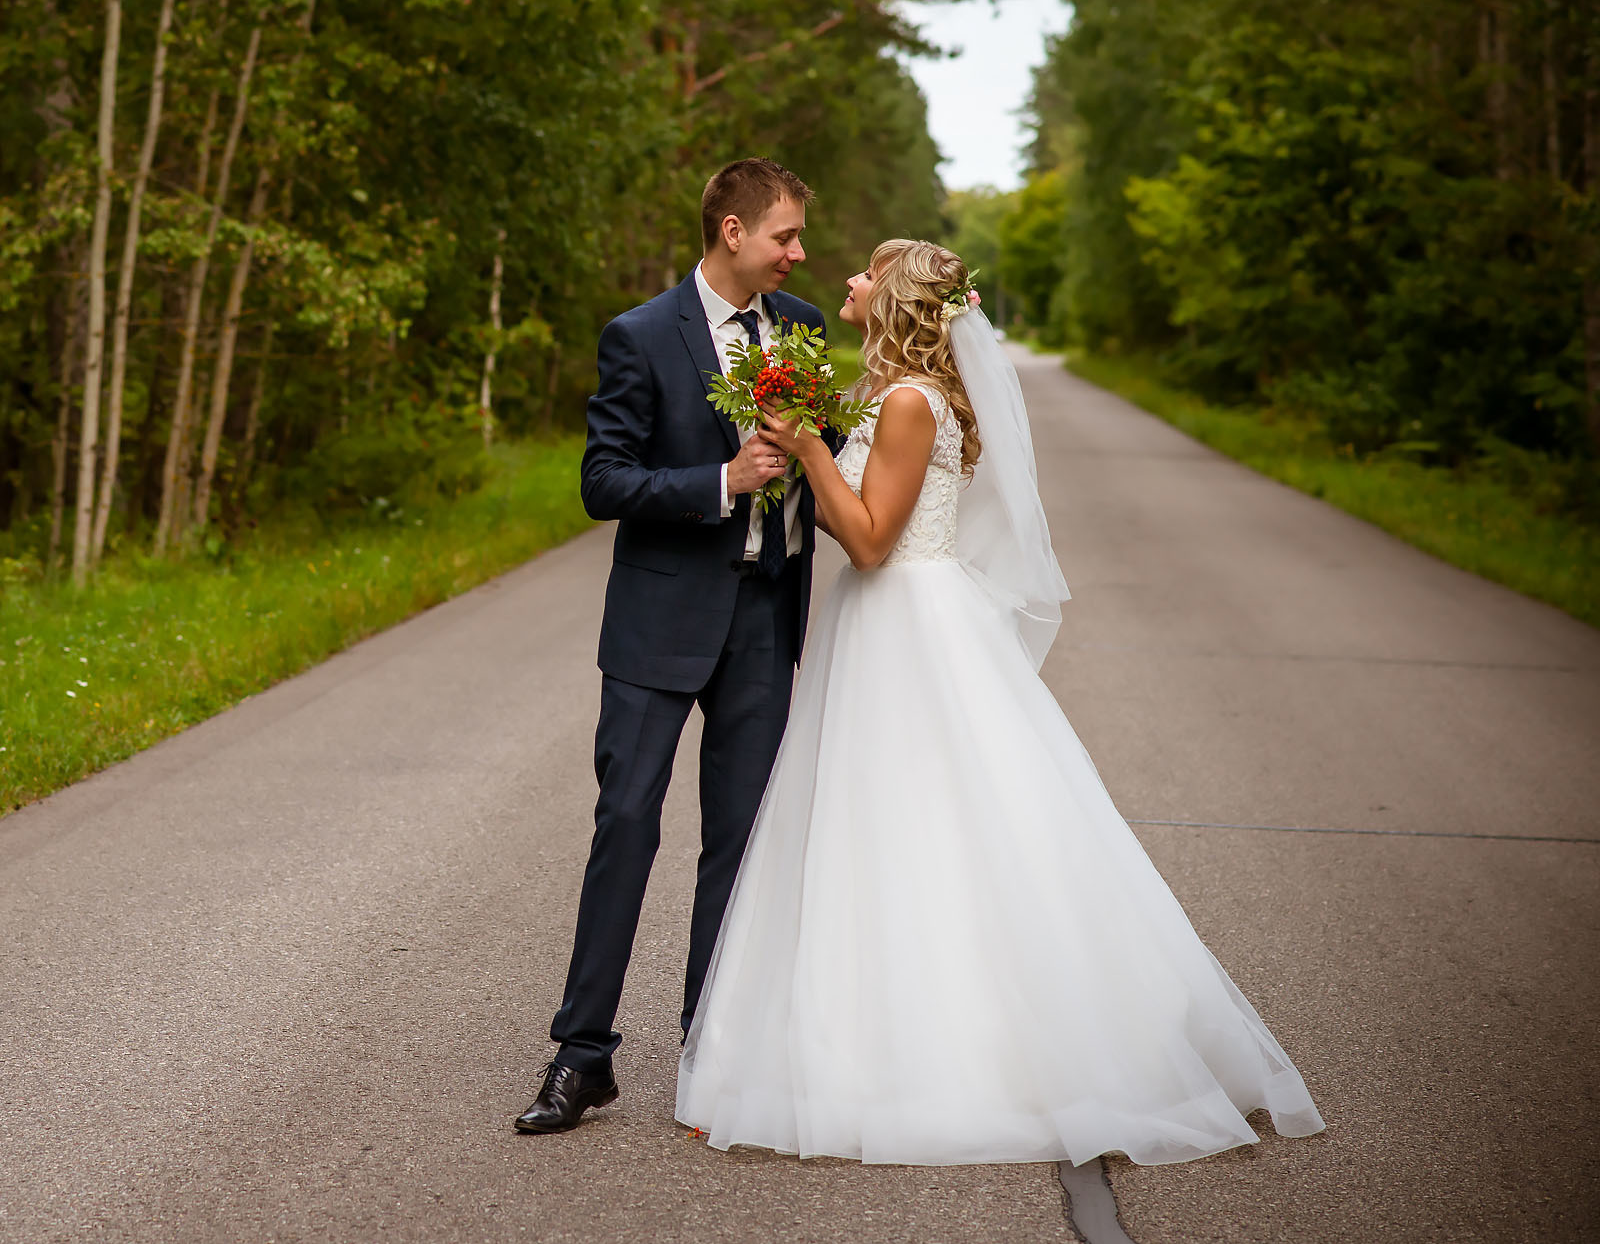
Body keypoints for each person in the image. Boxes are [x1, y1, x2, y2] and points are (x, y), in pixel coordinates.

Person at [675, 238, 1327, 1165]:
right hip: (878, 621)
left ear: (895, 297)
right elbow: (843, 512)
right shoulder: (888, 392)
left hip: (905, 620)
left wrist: (809, 443)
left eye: (867, 272)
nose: (849, 281)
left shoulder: (910, 401)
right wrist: (792, 452)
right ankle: (844, 1040)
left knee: (922, 826)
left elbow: (870, 541)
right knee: (875, 826)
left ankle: (952, 1057)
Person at [514, 158, 841, 1135]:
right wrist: (721, 482)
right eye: (785, 235)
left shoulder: (804, 328)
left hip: (765, 616)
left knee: (739, 842)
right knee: (626, 822)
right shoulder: (641, 335)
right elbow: (603, 482)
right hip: (660, 619)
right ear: (732, 231)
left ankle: (714, 1052)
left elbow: (826, 457)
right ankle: (583, 1055)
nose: (798, 253)